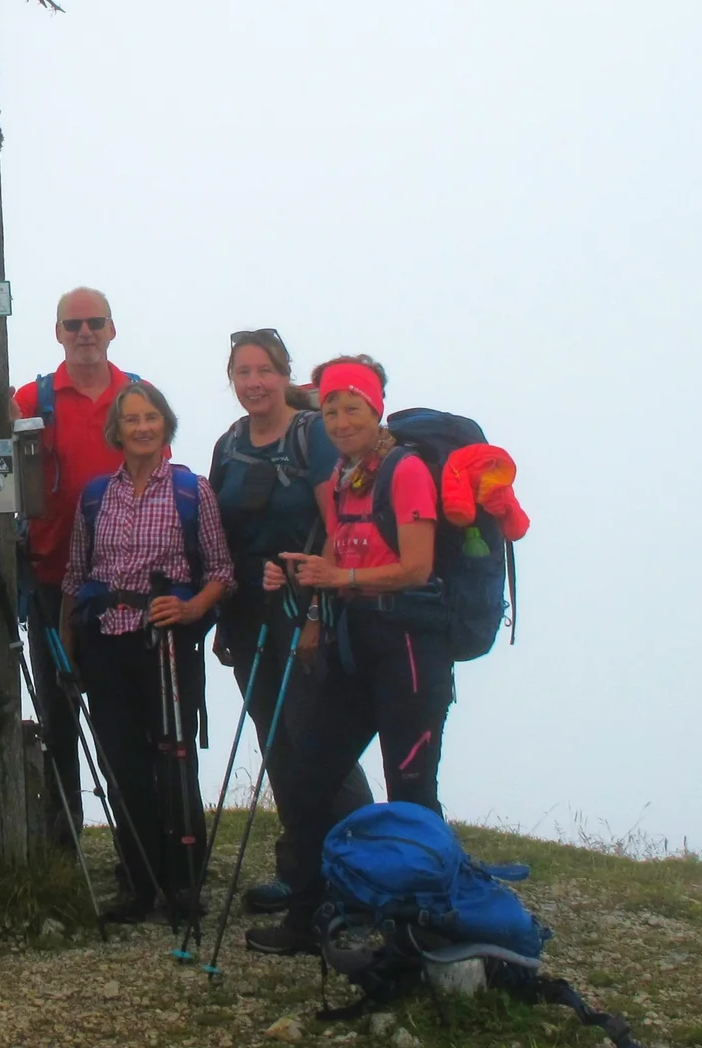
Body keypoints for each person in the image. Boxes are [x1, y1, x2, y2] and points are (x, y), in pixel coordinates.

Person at [245, 355, 455, 957]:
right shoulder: (345, 476)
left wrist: (340, 582)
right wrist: (309, 601)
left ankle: (423, 932)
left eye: (352, 407)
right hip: (356, 646)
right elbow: (337, 552)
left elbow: (417, 567)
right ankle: (307, 918)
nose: (339, 419)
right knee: (308, 778)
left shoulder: (406, 470)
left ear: (376, 408)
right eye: (331, 408)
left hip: (412, 652)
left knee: (411, 789)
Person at [208, 331, 374, 917]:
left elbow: (339, 522)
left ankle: (363, 873)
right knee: (275, 738)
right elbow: (220, 535)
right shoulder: (229, 445)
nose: (253, 382)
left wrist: (312, 613)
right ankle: (303, 871)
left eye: (263, 370)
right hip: (250, 610)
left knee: (318, 741)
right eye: (242, 372)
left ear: (284, 376)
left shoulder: (311, 438)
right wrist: (224, 617)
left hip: (306, 605)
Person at [60, 381, 233, 923]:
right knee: (123, 767)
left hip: (168, 641)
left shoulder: (192, 491)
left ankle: (183, 884)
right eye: (131, 419)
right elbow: (75, 575)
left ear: (166, 425)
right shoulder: (95, 496)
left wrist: (189, 610)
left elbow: (223, 571)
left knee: (175, 759)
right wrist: (69, 654)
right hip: (106, 641)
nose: (142, 427)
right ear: (118, 430)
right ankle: (137, 882)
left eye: (151, 417)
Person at [11, 287, 136, 844]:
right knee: (58, 712)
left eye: (95, 323)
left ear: (112, 330)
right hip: (47, 575)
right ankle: (63, 840)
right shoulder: (29, 400)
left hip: (119, 584)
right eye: (74, 325)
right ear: (58, 333)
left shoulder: (137, 399)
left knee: (122, 715)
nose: (85, 333)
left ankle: (138, 836)